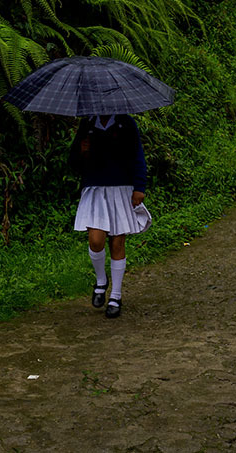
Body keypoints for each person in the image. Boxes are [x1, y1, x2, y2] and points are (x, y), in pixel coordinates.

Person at [69, 114, 148, 319]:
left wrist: (139, 187)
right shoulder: (87, 123)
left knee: (117, 243)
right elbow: (73, 162)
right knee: (96, 240)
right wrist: (82, 151)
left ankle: (116, 295)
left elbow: (137, 155)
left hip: (121, 188)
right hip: (94, 188)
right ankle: (101, 281)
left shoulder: (126, 123)